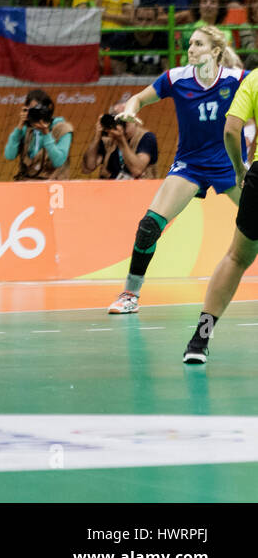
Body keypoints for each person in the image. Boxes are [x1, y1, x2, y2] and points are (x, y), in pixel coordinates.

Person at [109, 26, 245, 315]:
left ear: (216, 51)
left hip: (230, 166)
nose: (190, 49)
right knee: (148, 227)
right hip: (190, 166)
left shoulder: (237, 79)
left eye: (198, 44)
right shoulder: (175, 78)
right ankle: (130, 295)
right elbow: (139, 98)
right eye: (189, 44)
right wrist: (132, 109)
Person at [183, 66, 258, 362]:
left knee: (237, 258)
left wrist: (240, 169)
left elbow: (230, 130)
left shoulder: (253, 79)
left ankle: (198, 343)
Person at [5, 89, 73, 181]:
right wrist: (19, 127)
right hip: (27, 183)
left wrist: (46, 133)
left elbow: (58, 161)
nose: (36, 114)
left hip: (53, 183)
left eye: (39, 110)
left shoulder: (63, 128)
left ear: (47, 110)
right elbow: (9, 155)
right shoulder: (26, 128)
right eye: (32, 110)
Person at [82, 106, 159, 180]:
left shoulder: (146, 137)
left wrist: (121, 140)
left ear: (135, 119)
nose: (120, 123)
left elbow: (137, 170)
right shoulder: (108, 139)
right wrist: (97, 136)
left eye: (123, 118)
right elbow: (89, 167)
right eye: (117, 118)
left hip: (139, 189)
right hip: (112, 189)